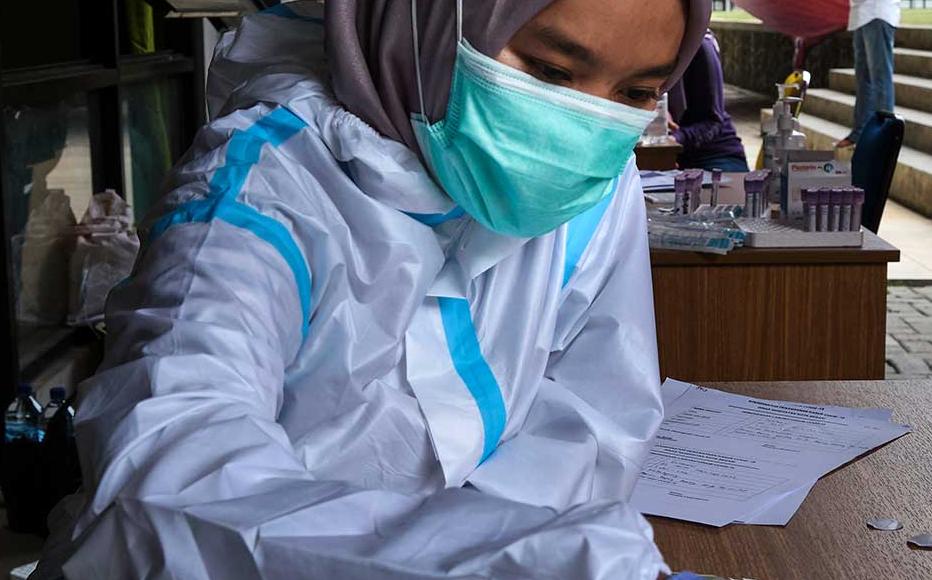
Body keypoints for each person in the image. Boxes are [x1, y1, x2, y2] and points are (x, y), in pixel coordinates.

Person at [34, 0, 711, 578]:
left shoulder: (587, 176)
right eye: (550, 72)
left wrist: (534, 548)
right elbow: (168, 482)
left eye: (636, 94)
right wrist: (525, 560)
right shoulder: (265, 188)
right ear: (426, 26)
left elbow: (595, 418)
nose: (584, 125)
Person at [667, 30, 749, 172]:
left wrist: (674, 140)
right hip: (667, 159)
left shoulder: (700, 47)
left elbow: (713, 122)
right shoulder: (643, 48)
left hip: (714, 156)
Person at [835, 0, 900, 148]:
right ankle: (860, 133)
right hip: (861, 15)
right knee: (863, 80)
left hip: (877, 13)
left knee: (880, 78)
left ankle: (885, 136)